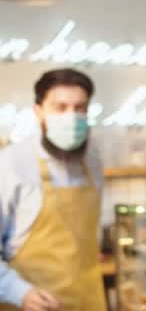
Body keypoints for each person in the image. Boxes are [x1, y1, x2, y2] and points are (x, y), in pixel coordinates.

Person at [0, 69, 106, 311]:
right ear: (39, 112)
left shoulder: (92, 161)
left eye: (80, 108)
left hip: (89, 302)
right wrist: (19, 291)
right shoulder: (11, 163)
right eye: (61, 107)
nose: (72, 116)